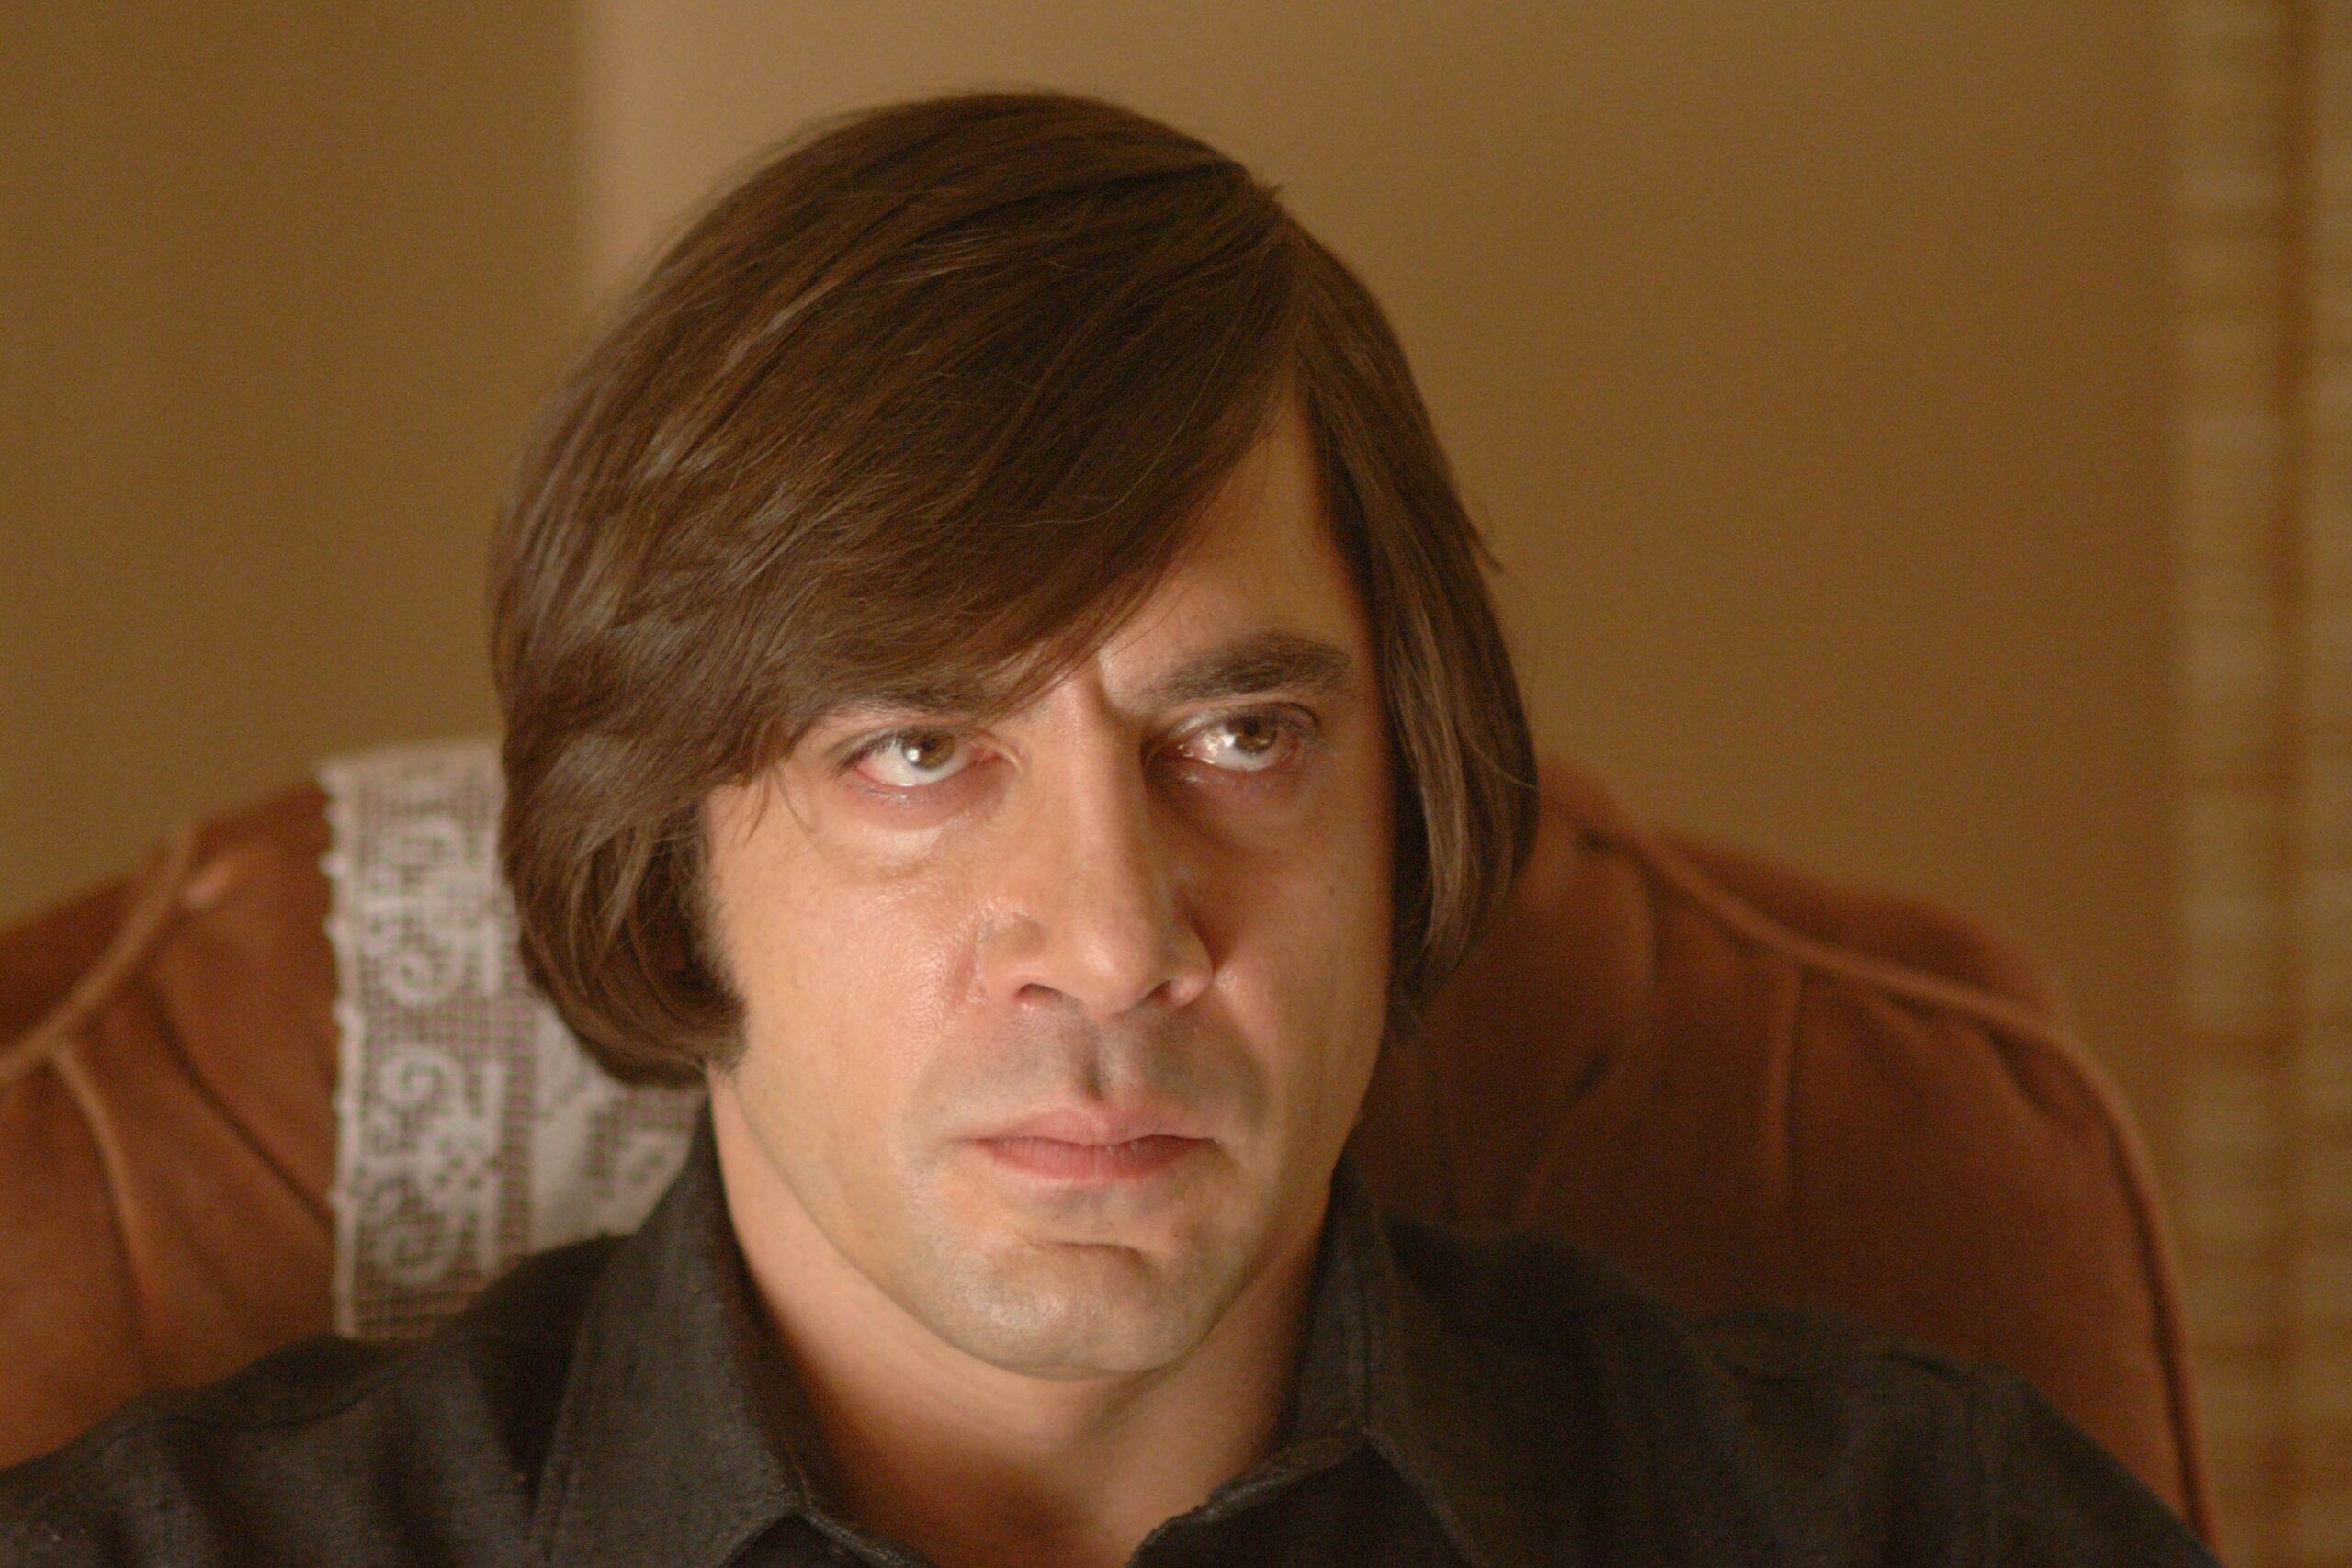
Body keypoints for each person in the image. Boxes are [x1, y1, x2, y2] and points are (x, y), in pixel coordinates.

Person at [0, 88, 2217, 1567]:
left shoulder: (1918, 1523)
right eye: (913, 751)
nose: (1113, 931)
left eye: (1238, 734)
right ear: (664, 858)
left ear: (1410, 811)